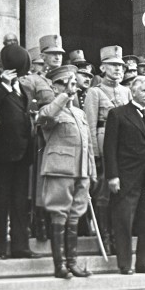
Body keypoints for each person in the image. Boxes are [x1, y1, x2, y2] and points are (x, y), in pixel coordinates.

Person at [37, 65, 96, 278]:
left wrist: (92, 171)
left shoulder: (79, 112)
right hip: (60, 170)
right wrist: (63, 96)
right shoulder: (49, 107)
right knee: (59, 213)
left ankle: (72, 262)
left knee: (75, 216)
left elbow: (88, 144)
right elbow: (44, 118)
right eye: (62, 83)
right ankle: (59, 265)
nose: (69, 87)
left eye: (71, 83)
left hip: (81, 171)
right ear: (53, 86)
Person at [104, 74, 145, 275]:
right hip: (126, 177)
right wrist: (112, 176)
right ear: (133, 92)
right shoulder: (118, 114)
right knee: (124, 222)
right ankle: (125, 264)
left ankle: (144, 263)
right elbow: (109, 148)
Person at [0, 44, 38, 259]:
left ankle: (21, 245)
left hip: (23, 153)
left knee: (20, 201)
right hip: (2, 153)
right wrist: (4, 85)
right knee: (1, 201)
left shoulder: (25, 89)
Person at [83, 45, 132, 252]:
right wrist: (94, 154)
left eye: (120, 66)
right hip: (103, 146)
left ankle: (118, 236)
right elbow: (91, 124)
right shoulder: (95, 92)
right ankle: (105, 237)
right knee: (103, 195)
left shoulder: (127, 91)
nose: (118, 70)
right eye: (113, 66)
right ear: (102, 68)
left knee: (121, 196)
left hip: (126, 149)